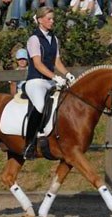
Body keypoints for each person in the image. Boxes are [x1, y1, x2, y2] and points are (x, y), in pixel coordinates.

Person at [23, 6, 75, 160]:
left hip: (50, 81)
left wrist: (67, 74)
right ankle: (29, 144)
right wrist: (55, 77)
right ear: (40, 20)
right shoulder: (34, 39)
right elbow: (38, 64)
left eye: (53, 19)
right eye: (49, 19)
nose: (52, 21)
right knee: (39, 107)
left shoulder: (54, 38)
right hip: (35, 81)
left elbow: (56, 61)